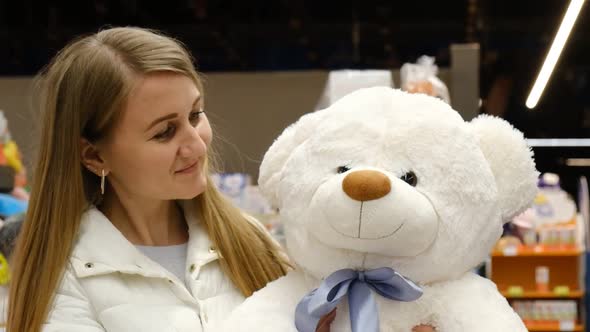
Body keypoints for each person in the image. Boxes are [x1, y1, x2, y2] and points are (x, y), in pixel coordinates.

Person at [6, 27, 435, 332]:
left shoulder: (246, 240)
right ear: (95, 154)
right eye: (164, 131)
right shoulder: (63, 280)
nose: (196, 144)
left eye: (195, 115)